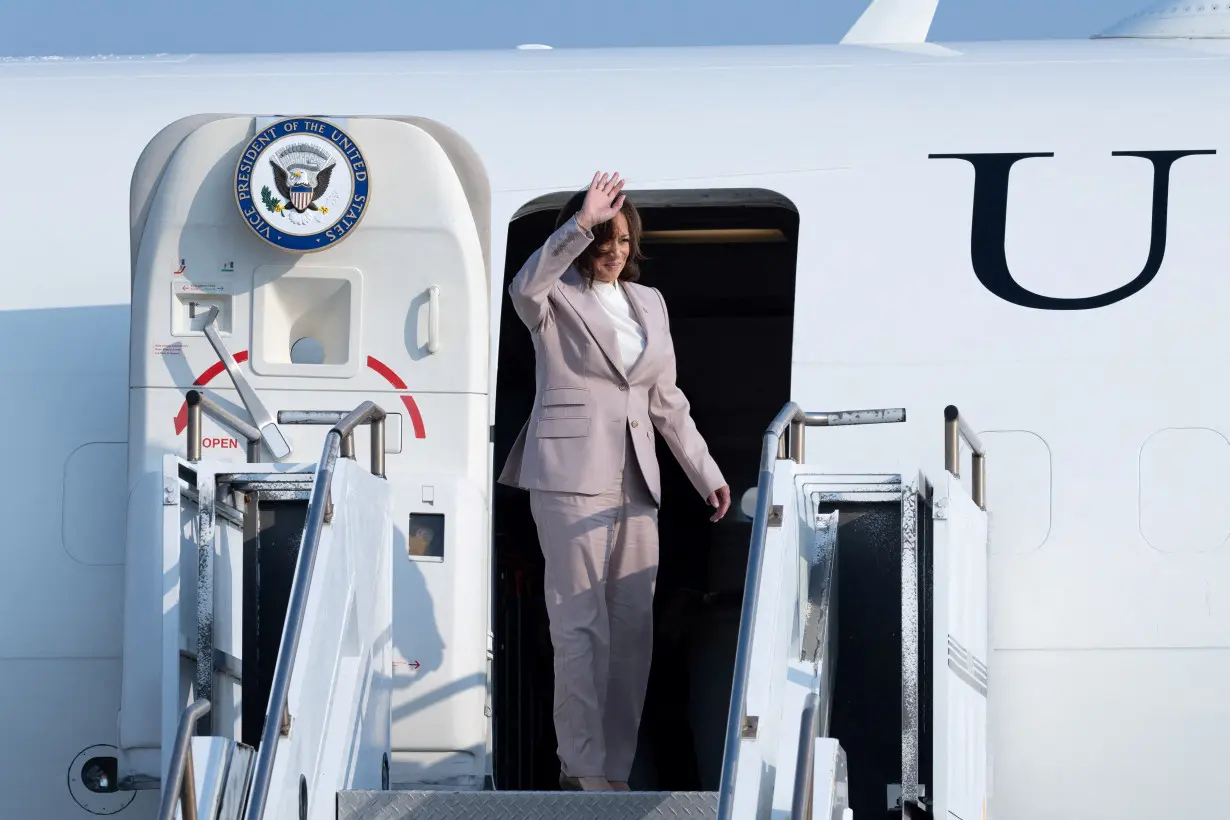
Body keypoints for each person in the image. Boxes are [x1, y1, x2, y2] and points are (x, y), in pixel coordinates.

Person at [498, 171, 731, 792]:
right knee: (579, 625)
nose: (613, 248)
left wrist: (703, 470)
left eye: (622, 238)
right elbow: (526, 283)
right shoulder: (553, 296)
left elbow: (664, 397)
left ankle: (615, 770)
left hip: (638, 480)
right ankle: (580, 766)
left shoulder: (649, 301)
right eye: (604, 236)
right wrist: (580, 222)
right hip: (570, 473)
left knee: (632, 633)